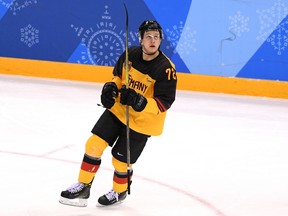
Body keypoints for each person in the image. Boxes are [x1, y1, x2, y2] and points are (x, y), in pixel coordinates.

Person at [59, 20, 177, 207]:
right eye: (148, 37)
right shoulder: (130, 54)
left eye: (156, 37)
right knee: (93, 144)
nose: (153, 40)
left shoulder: (166, 69)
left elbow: (164, 103)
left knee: (120, 162)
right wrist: (111, 87)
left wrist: (141, 102)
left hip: (142, 122)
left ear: (161, 40)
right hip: (119, 110)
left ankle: (120, 192)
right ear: (141, 39)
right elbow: (117, 76)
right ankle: (83, 186)